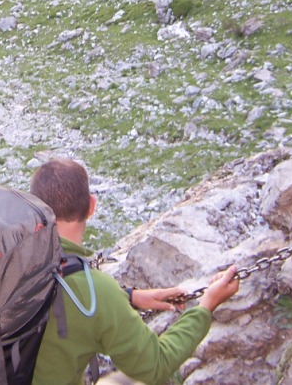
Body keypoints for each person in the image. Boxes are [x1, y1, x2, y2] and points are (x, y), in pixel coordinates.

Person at [30, 159, 239, 385]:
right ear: (91, 206)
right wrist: (206, 306)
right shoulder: (96, 293)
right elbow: (155, 366)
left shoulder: (5, 267)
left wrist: (129, 296)